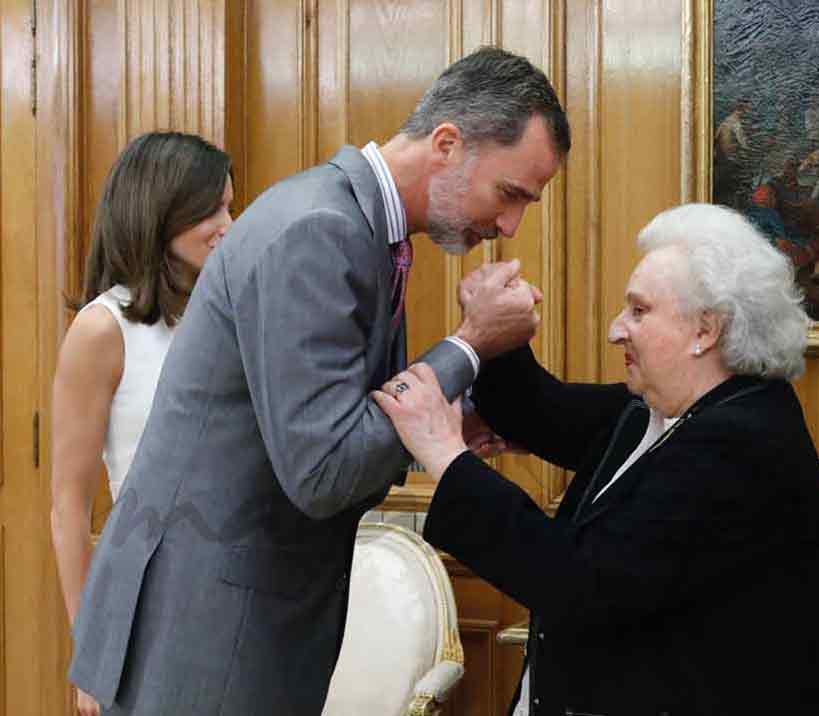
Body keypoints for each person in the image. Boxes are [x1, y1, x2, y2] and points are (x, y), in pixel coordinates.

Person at [68, 46, 570, 715]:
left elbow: (340, 423)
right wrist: (469, 345)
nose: (510, 225)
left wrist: (441, 429)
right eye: (511, 195)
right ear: (448, 143)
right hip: (211, 631)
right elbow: (322, 469)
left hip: (240, 617)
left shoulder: (363, 229)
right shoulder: (320, 230)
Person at [375, 203, 819, 715]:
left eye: (639, 311)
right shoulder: (660, 409)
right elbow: (538, 411)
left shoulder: (742, 443)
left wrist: (443, 451)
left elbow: (579, 582)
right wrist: (497, 331)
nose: (616, 329)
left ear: (706, 330)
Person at [50, 131, 232, 716]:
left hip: (240, 599)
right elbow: (68, 506)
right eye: (215, 208)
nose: (230, 223)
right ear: (162, 211)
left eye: (232, 205)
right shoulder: (103, 330)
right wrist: (91, 654)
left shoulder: (225, 315)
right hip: (150, 605)